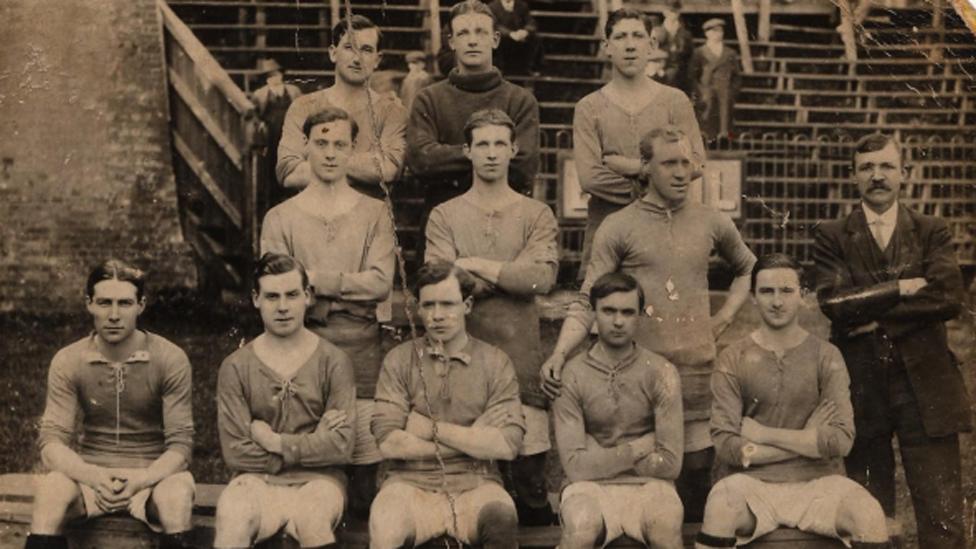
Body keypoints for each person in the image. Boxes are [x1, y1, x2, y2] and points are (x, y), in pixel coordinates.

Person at [543, 126, 756, 522]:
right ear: (645, 167)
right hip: (638, 376)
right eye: (668, 163)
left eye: (686, 163)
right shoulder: (619, 226)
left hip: (696, 371)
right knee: (643, 484)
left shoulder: (712, 221)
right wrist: (560, 352)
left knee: (694, 483)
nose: (680, 172)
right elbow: (591, 296)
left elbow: (747, 267)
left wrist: (724, 317)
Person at [812, 134, 971, 549]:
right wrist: (900, 288)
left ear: (904, 173)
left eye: (885, 166)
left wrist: (873, 316)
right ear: (853, 176)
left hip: (927, 384)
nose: (877, 176)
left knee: (942, 514)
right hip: (862, 386)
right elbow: (834, 303)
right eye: (866, 168)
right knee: (870, 515)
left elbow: (948, 298)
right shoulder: (831, 235)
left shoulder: (931, 230)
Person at [696, 253, 889, 549]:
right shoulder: (732, 357)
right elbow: (727, 446)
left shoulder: (827, 356)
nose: (777, 301)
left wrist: (763, 435)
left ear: (804, 295)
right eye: (767, 291)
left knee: (869, 514)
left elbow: (840, 441)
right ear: (753, 297)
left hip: (819, 483)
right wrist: (808, 440)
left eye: (786, 291)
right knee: (720, 509)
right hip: (751, 485)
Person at [425, 109, 559, 524]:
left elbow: (541, 279)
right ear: (467, 151)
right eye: (481, 144)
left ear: (514, 150)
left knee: (532, 494)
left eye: (500, 143)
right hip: (461, 366)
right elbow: (441, 283)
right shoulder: (444, 215)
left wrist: (474, 264)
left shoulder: (536, 214)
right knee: (466, 491)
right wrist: (508, 273)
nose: (491, 153)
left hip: (521, 367)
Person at [261, 107, 395, 520]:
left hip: (360, 347)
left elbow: (379, 282)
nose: (331, 153)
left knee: (361, 472)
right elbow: (278, 290)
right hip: (301, 350)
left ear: (353, 150)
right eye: (321, 143)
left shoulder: (374, 212)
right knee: (305, 466)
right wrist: (338, 290)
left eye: (340, 144)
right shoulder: (280, 217)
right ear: (305, 147)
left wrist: (314, 282)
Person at [27, 260, 195, 549]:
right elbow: (51, 442)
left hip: (150, 477)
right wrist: (93, 476)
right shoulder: (69, 359)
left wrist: (142, 479)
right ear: (89, 304)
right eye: (104, 303)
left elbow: (181, 446)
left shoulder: (170, 358)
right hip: (92, 476)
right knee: (50, 490)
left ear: (141, 305)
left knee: (177, 494)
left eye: (125, 303)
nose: (114, 315)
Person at [369, 262, 524, 548]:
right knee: (385, 522)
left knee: (501, 517)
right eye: (428, 305)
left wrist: (430, 429)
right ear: (418, 308)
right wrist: (472, 438)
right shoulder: (399, 360)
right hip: (409, 484)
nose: (437, 315)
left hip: (477, 484)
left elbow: (506, 446)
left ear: (466, 305)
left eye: (447, 304)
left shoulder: (495, 362)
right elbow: (390, 444)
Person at [214, 254, 356, 548]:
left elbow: (341, 447)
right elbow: (236, 452)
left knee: (312, 516)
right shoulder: (236, 366)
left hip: (320, 482)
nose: (282, 307)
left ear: (307, 296)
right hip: (255, 481)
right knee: (232, 515)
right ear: (256, 299)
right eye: (271, 296)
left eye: (291, 295)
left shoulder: (334, 361)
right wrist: (312, 442)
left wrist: (273, 441)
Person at [554, 272, 685, 548]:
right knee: (581, 524)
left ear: (640, 315)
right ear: (593, 313)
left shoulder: (661, 371)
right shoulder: (572, 373)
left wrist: (599, 458)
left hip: (651, 487)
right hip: (588, 490)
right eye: (608, 311)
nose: (617, 321)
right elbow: (576, 469)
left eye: (627, 312)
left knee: (665, 523)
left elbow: (671, 464)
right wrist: (642, 446)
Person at [573, 8, 704, 279]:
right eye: (620, 37)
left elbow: (696, 162)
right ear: (606, 47)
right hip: (607, 238)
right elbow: (590, 178)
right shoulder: (589, 107)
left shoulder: (675, 101)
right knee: (606, 316)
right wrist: (659, 179)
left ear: (652, 44)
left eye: (637, 36)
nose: (630, 45)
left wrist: (631, 166)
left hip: (666, 234)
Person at [406, 0, 540, 255]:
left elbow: (524, 165)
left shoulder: (520, 100)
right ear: (451, 42)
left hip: (506, 224)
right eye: (463, 33)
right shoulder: (430, 99)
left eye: (481, 32)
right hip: (442, 224)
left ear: (496, 39)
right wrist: (493, 155)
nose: (472, 40)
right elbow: (420, 160)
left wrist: (448, 157)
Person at [276, 15, 406, 198]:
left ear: (377, 59)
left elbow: (388, 170)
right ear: (333, 53)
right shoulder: (303, 107)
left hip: (368, 220)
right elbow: (289, 173)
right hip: (313, 218)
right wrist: (365, 167)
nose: (357, 58)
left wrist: (318, 161)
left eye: (366, 50)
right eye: (349, 48)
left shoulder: (392, 111)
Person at [251, 58, 303, 208]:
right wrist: (260, 125)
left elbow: (302, 110)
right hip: (271, 136)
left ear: (281, 75)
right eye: (270, 76)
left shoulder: (293, 91)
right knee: (271, 164)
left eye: (276, 75)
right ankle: (272, 199)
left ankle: (289, 196)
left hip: (289, 132)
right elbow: (255, 115)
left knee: (289, 161)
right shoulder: (260, 95)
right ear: (266, 80)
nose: (274, 79)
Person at [688, 18, 741, 141]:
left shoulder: (730, 53)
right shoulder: (700, 52)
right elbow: (692, 75)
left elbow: (736, 76)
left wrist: (732, 93)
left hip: (725, 92)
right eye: (714, 31)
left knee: (724, 122)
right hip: (706, 92)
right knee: (707, 121)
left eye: (720, 31)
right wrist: (700, 91)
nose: (718, 34)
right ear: (707, 33)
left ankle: (724, 142)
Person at [488, 0, 543, 76]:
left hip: (519, 38)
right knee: (496, 38)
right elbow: (494, 25)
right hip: (503, 38)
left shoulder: (522, 5)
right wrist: (510, 34)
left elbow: (531, 22)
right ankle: (500, 68)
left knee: (535, 38)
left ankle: (529, 67)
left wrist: (525, 31)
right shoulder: (492, 7)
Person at [659, 0, 694, 93]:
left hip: (681, 77)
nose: (672, 14)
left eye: (675, 12)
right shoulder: (656, 32)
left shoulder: (686, 35)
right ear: (664, 12)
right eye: (670, 11)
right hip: (660, 75)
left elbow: (690, 58)